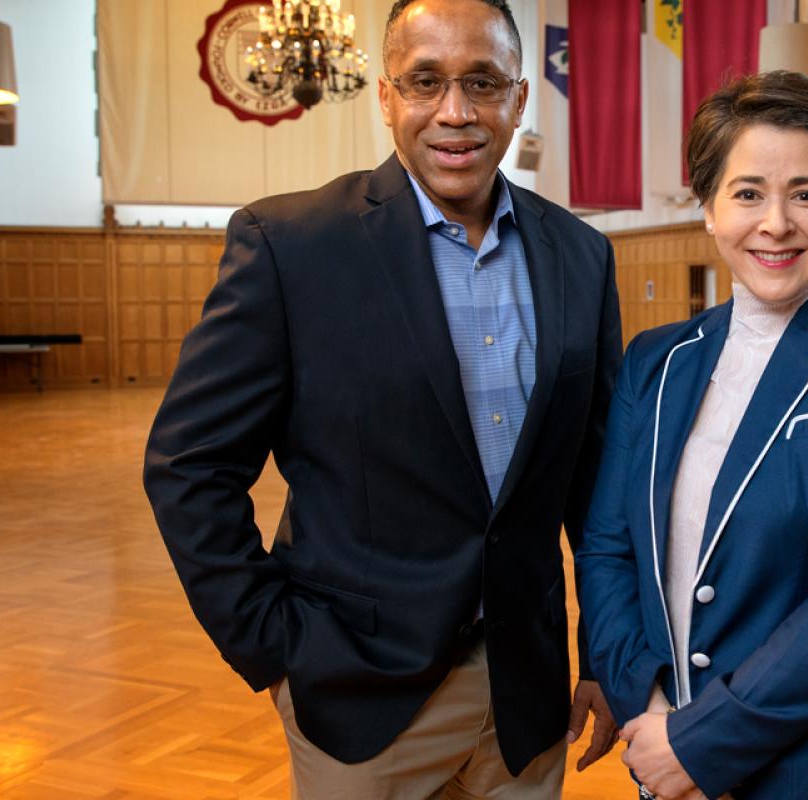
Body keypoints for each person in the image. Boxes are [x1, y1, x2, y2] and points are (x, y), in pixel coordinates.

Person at [142, 0, 620, 795]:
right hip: (359, 697)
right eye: (425, 82)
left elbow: (597, 486)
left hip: (527, 695)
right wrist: (272, 648)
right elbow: (189, 464)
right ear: (387, 97)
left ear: (520, 97)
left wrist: (605, 648)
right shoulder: (290, 246)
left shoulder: (582, 254)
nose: (456, 113)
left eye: (483, 82)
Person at [574, 71, 808, 800]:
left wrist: (699, 743)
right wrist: (647, 711)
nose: (775, 222)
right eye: (747, 192)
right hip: (659, 746)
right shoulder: (655, 359)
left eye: (807, 194)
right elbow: (606, 548)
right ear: (709, 210)